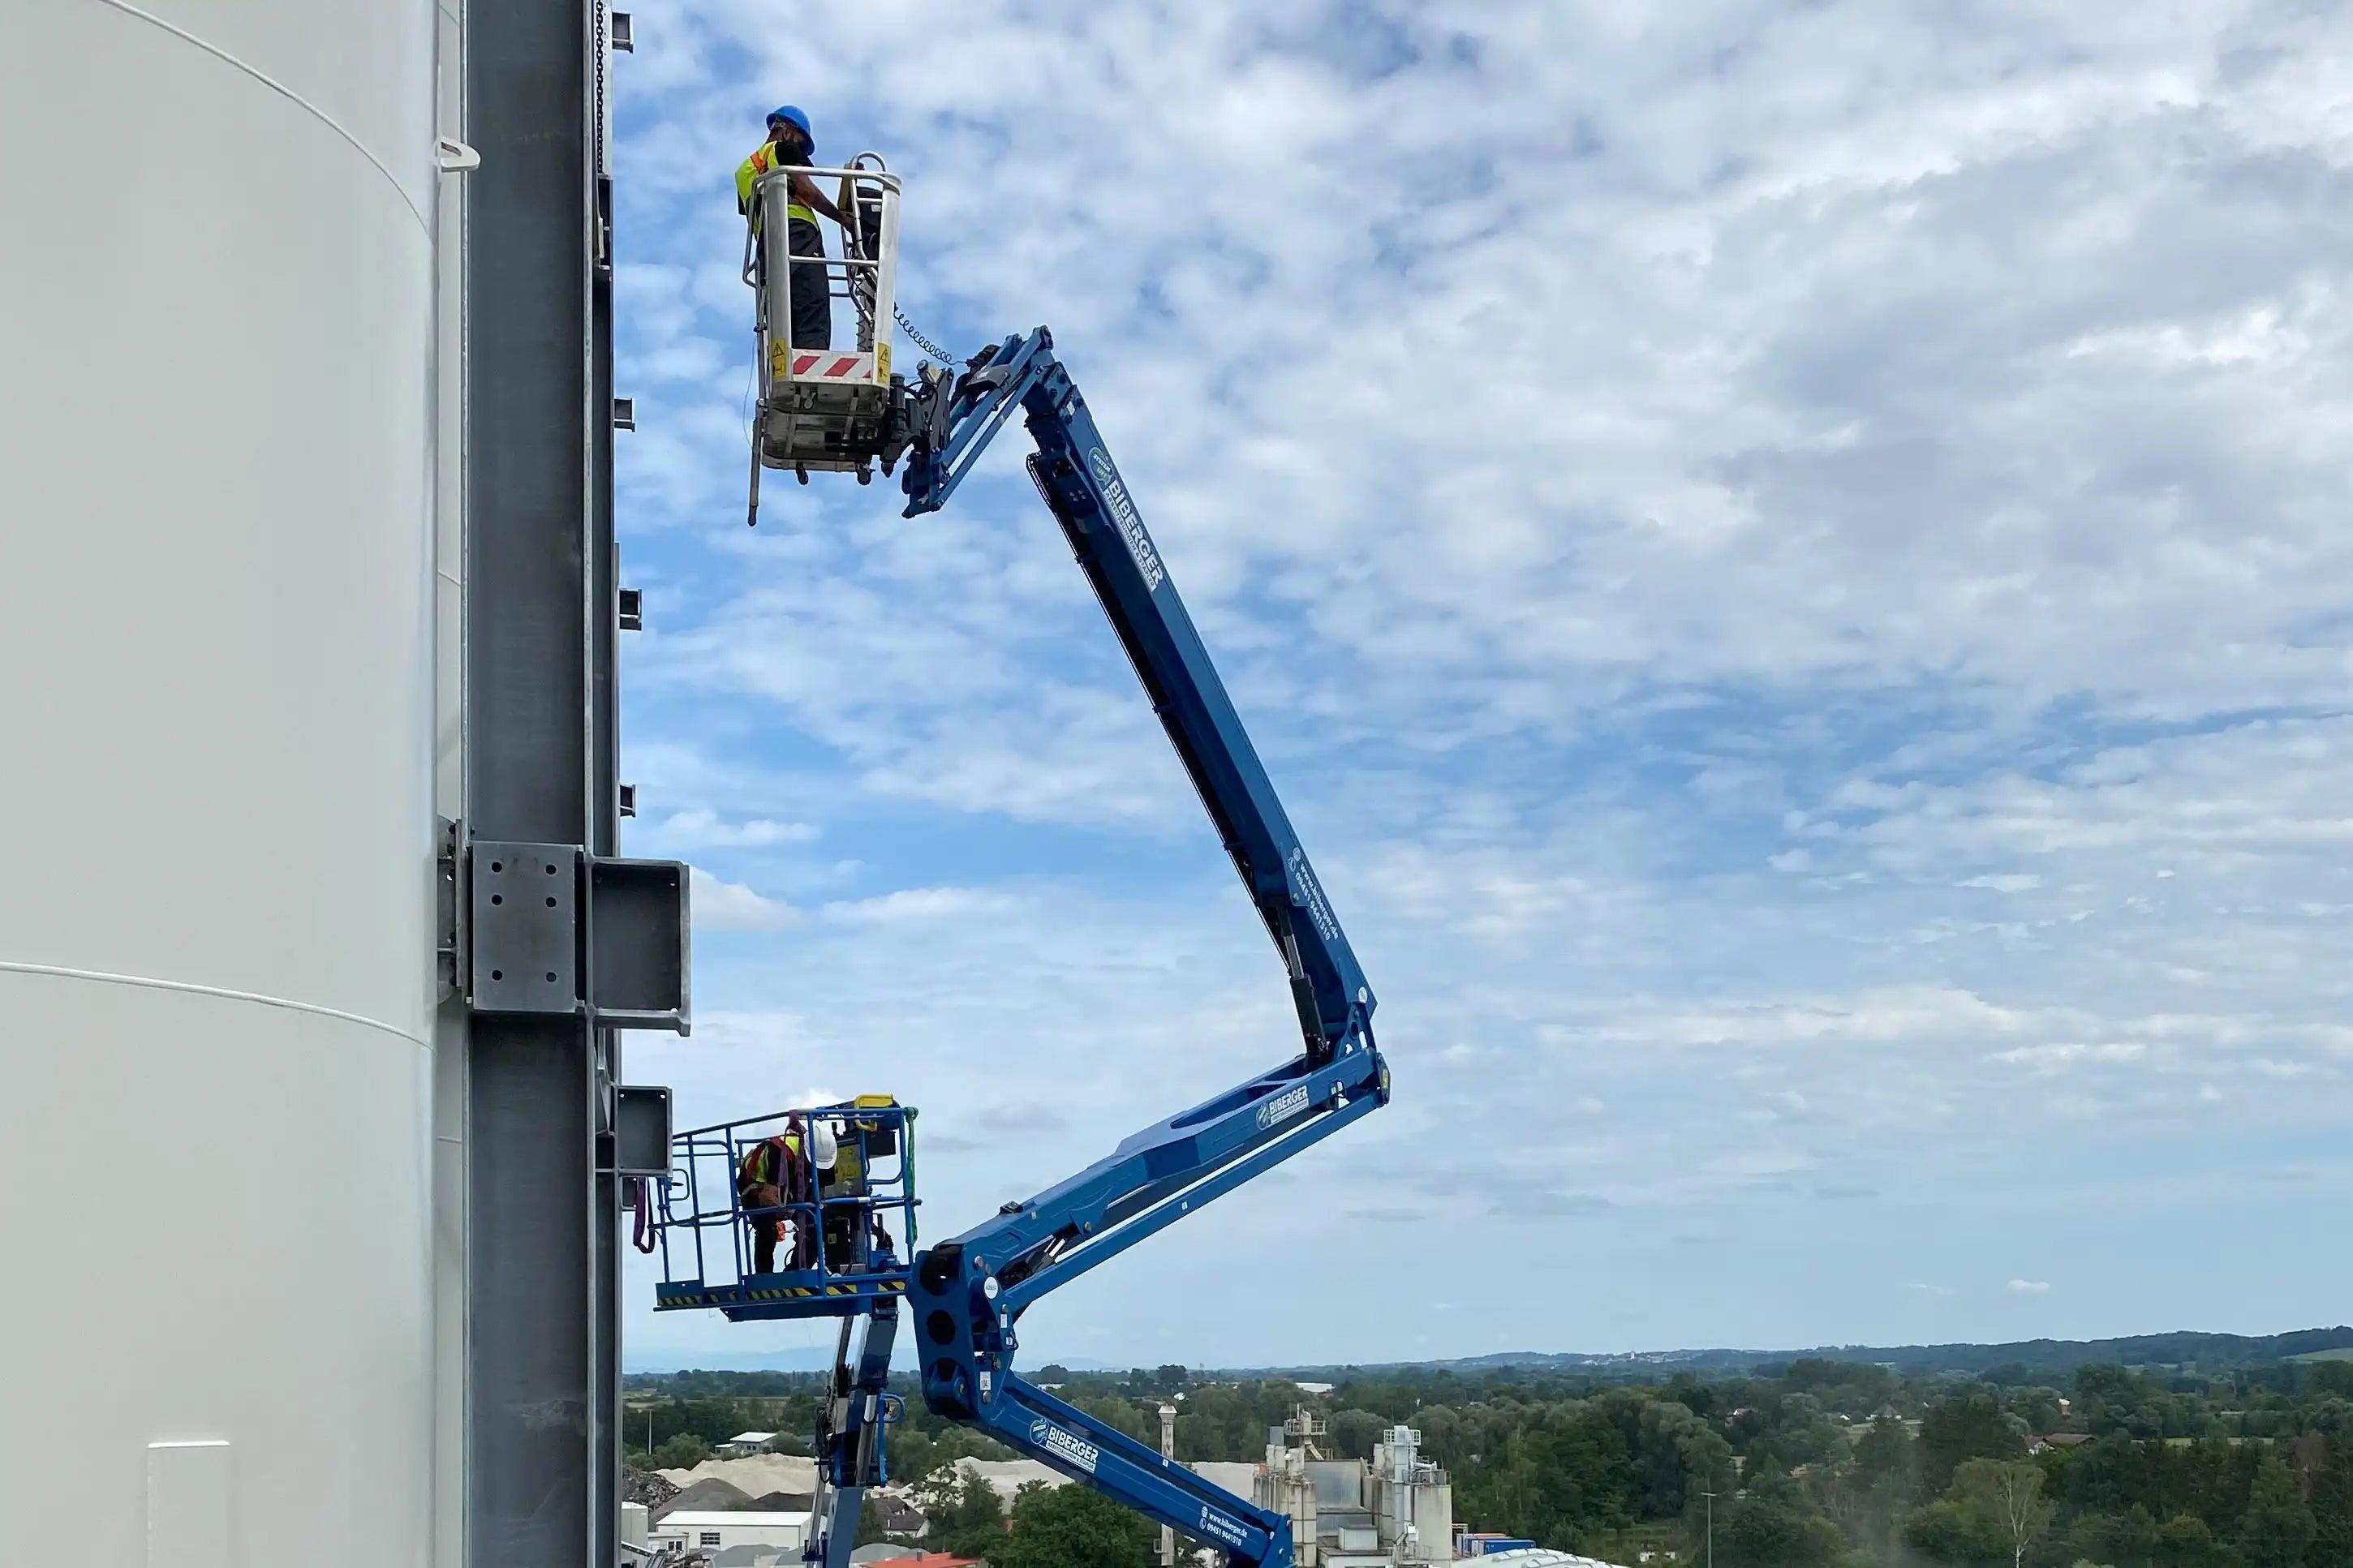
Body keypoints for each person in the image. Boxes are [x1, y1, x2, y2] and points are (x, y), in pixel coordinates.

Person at [736, 105, 847, 350]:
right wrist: (845, 220)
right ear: (786, 131)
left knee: (783, 318)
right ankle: (812, 372)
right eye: (799, 141)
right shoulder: (783, 150)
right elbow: (809, 192)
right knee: (810, 309)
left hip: (767, 249)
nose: (798, 148)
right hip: (799, 237)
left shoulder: (743, 171)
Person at [735, 1115, 809, 1275]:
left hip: (784, 1190)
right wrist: (790, 1211)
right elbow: (767, 1196)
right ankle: (764, 1277)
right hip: (754, 1190)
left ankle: (796, 1272)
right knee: (767, 1230)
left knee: (813, 1225)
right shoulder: (779, 1153)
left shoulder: (811, 1151)